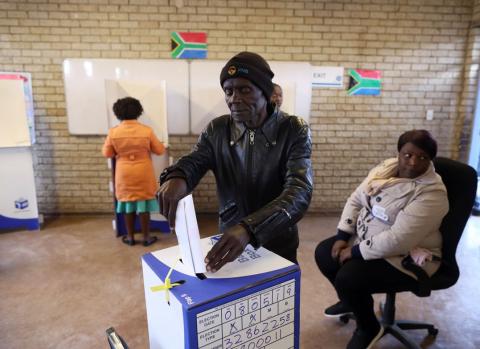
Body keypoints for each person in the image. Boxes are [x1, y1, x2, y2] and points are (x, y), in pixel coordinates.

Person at [157, 51, 313, 272]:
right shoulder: (217, 129)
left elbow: (300, 191)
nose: (234, 99)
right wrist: (177, 176)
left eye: (244, 90)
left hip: (277, 238)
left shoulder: (293, 129)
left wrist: (250, 228)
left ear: (265, 92)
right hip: (230, 239)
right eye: (228, 91)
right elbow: (196, 159)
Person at [314, 130, 449, 349]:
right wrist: (343, 235)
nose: (413, 162)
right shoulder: (385, 170)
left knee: (349, 277)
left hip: (407, 256)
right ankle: (353, 303)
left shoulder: (432, 193)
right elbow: (356, 199)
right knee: (325, 252)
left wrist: (355, 251)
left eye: (422, 157)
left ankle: (368, 327)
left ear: (430, 159)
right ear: (399, 153)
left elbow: (399, 239)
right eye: (407, 154)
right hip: (370, 237)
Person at [102, 97, 166, 246]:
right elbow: (159, 150)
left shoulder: (113, 132)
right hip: (143, 172)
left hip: (124, 173)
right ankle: (146, 237)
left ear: (117, 113)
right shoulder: (146, 131)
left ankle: (130, 237)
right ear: (138, 111)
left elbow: (107, 153)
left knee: (128, 205)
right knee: (143, 205)